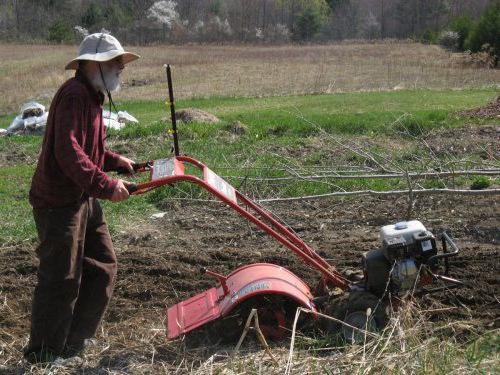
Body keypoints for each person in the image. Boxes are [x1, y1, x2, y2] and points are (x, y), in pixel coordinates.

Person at [24, 33, 140, 363]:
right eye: (114, 62)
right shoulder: (74, 95)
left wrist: (116, 161)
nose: (120, 67)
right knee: (60, 279)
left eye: (120, 62)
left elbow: (90, 150)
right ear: (93, 64)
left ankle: (73, 343)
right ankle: (43, 356)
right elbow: (69, 152)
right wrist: (106, 185)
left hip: (82, 197)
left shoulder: (92, 96)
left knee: (102, 266)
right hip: (58, 202)